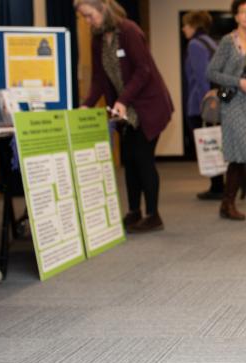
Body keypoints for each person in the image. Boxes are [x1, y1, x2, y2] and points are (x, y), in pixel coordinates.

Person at [76, 0, 174, 233]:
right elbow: (99, 78)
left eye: (90, 16)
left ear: (102, 8)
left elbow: (143, 70)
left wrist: (122, 100)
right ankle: (133, 212)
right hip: (125, 110)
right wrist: (87, 105)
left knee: (143, 159)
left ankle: (153, 215)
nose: (88, 22)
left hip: (148, 105)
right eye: (84, 18)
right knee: (129, 160)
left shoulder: (129, 31)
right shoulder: (98, 38)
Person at [206, 0, 246, 227]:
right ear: (236, 16)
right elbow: (212, 72)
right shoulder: (227, 42)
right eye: (243, 12)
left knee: (238, 157)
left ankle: (227, 203)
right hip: (233, 105)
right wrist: (239, 82)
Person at [181, 10, 229, 201]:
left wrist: (205, 106)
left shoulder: (194, 44)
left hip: (200, 103)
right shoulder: (210, 42)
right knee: (214, 142)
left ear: (194, 25)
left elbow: (202, 77)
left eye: (185, 25)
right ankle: (220, 184)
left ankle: (217, 187)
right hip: (216, 102)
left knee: (207, 143)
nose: (183, 28)